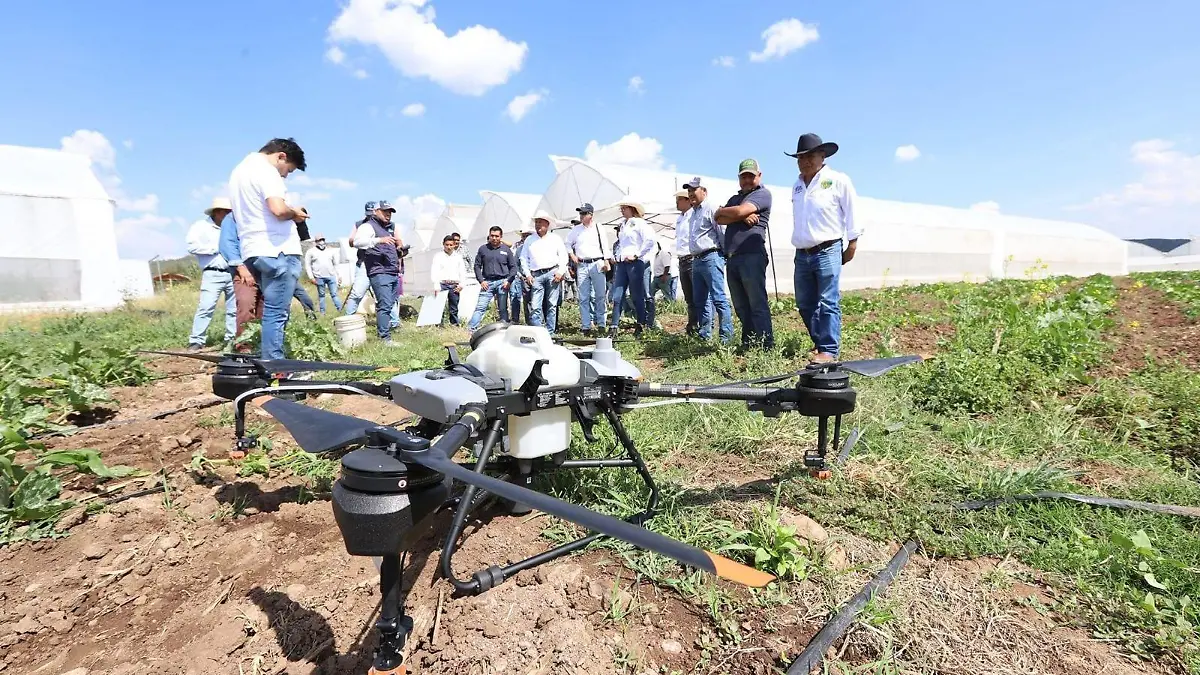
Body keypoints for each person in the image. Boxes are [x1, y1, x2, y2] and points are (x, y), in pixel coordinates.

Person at [227, 137, 309, 360]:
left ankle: (268, 359)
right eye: (288, 170)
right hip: (277, 250)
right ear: (281, 156)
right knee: (276, 313)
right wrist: (295, 213)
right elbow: (278, 209)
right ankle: (276, 368)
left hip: (253, 250)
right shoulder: (266, 171)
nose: (285, 175)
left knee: (270, 312)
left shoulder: (238, 172)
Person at [788, 133, 862, 362]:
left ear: (822, 156)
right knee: (804, 302)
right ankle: (821, 343)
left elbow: (852, 212)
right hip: (802, 253)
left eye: (810, 155)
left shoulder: (837, 180)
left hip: (828, 249)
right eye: (800, 157)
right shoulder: (797, 186)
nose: (805, 161)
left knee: (828, 301)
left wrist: (852, 243)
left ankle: (829, 349)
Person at [715, 159, 775, 351]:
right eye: (744, 177)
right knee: (741, 305)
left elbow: (737, 211)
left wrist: (738, 212)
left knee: (757, 303)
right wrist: (740, 214)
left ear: (759, 175)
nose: (747, 180)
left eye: (751, 176)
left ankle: (766, 345)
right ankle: (749, 344)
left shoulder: (763, 194)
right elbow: (718, 217)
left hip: (752, 255)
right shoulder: (735, 198)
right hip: (732, 257)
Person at [683, 178, 734, 344]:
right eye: (689, 191)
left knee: (718, 298)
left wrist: (724, 254)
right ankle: (705, 335)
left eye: (694, 190)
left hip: (711, 256)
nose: (691, 194)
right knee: (701, 300)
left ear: (704, 191)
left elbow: (722, 231)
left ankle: (726, 338)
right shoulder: (694, 212)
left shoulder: (711, 207)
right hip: (697, 259)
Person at [185, 197, 237, 351]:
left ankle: (231, 339)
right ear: (217, 212)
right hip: (212, 273)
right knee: (206, 307)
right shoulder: (200, 227)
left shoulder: (233, 227)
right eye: (226, 212)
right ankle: (196, 340)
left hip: (232, 271)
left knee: (233, 309)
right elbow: (192, 246)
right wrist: (218, 247)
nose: (229, 215)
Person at [353, 200, 404, 344]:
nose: (388, 214)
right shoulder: (368, 227)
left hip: (391, 271)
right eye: (385, 211)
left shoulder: (387, 229)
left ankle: (385, 333)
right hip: (379, 271)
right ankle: (384, 338)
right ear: (376, 211)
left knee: (389, 304)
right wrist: (379, 240)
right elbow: (357, 242)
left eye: (390, 212)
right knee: (385, 304)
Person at [218, 201, 262, 352]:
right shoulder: (232, 218)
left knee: (265, 308)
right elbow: (227, 244)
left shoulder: (261, 216)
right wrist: (241, 267)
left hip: (265, 268)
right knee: (245, 304)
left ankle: (261, 345)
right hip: (245, 269)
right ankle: (244, 346)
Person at [608, 200, 655, 336]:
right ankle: (614, 326)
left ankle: (641, 324)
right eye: (621, 208)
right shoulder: (623, 225)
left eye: (624, 208)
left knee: (636, 295)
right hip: (622, 263)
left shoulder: (640, 223)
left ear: (632, 209)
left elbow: (650, 240)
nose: (622, 210)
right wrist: (617, 256)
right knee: (617, 295)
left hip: (634, 262)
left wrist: (637, 254)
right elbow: (621, 244)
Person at [565, 203, 612, 335]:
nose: (581, 216)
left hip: (597, 262)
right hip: (582, 264)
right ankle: (586, 325)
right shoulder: (576, 230)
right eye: (580, 213)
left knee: (600, 295)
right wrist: (572, 255)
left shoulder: (598, 228)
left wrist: (606, 260)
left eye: (584, 213)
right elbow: (567, 243)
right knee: (583, 297)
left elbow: (605, 245)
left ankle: (601, 323)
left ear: (591, 215)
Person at [519, 212, 569, 334]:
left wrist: (560, 271)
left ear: (547, 224)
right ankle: (539, 332)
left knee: (551, 304)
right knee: (535, 305)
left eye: (540, 222)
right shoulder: (530, 240)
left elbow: (563, 256)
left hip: (552, 272)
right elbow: (523, 258)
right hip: (536, 274)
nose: (537, 225)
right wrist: (528, 274)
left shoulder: (555, 239)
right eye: (536, 222)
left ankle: (550, 332)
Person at [466, 226, 517, 330]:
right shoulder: (483, 249)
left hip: (502, 282)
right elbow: (477, 266)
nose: (494, 238)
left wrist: (509, 281)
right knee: (480, 307)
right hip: (487, 283)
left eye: (496, 236)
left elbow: (513, 267)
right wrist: (481, 280)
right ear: (489, 236)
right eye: (492, 236)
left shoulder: (506, 250)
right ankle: (471, 329)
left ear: (501, 237)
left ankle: (504, 329)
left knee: (502, 308)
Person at [672, 190, 704, 336]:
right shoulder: (680, 218)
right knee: (689, 297)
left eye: (679, 200)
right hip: (682, 259)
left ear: (686, 201)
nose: (677, 202)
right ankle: (692, 326)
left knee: (698, 295)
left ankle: (702, 327)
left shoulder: (693, 215)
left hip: (691, 258)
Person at [431, 234, 465, 326]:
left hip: (454, 284)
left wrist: (462, 284)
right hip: (442, 284)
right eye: (447, 245)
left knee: (454, 307)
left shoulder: (458, 257)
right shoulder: (438, 256)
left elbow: (462, 271)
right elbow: (434, 271)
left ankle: (454, 324)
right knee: (439, 306)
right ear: (443, 244)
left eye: (451, 245)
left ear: (454, 245)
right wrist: (436, 285)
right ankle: (438, 325)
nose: (449, 247)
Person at [304, 233, 343, 314]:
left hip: (331, 276)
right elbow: (307, 265)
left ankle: (341, 310)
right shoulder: (311, 252)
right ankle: (323, 313)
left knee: (334, 294)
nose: (321, 242)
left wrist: (339, 275)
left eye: (323, 240)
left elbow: (336, 264)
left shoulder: (331, 251)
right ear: (316, 242)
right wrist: (311, 277)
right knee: (322, 296)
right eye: (319, 240)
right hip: (319, 277)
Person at [647, 234, 678, 330]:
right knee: (650, 293)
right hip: (657, 277)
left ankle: (672, 310)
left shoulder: (664, 253)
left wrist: (664, 275)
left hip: (662, 277)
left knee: (667, 294)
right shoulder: (658, 254)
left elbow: (667, 266)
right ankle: (650, 308)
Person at [510, 224, 534, 324]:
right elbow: (516, 264)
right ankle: (529, 322)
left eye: (527, 235)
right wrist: (521, 276)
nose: (525, 238)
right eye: (523, 236)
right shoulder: (519, 249)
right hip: (524, 277)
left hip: (537, 276)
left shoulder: (536, 246)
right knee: (527, 300)